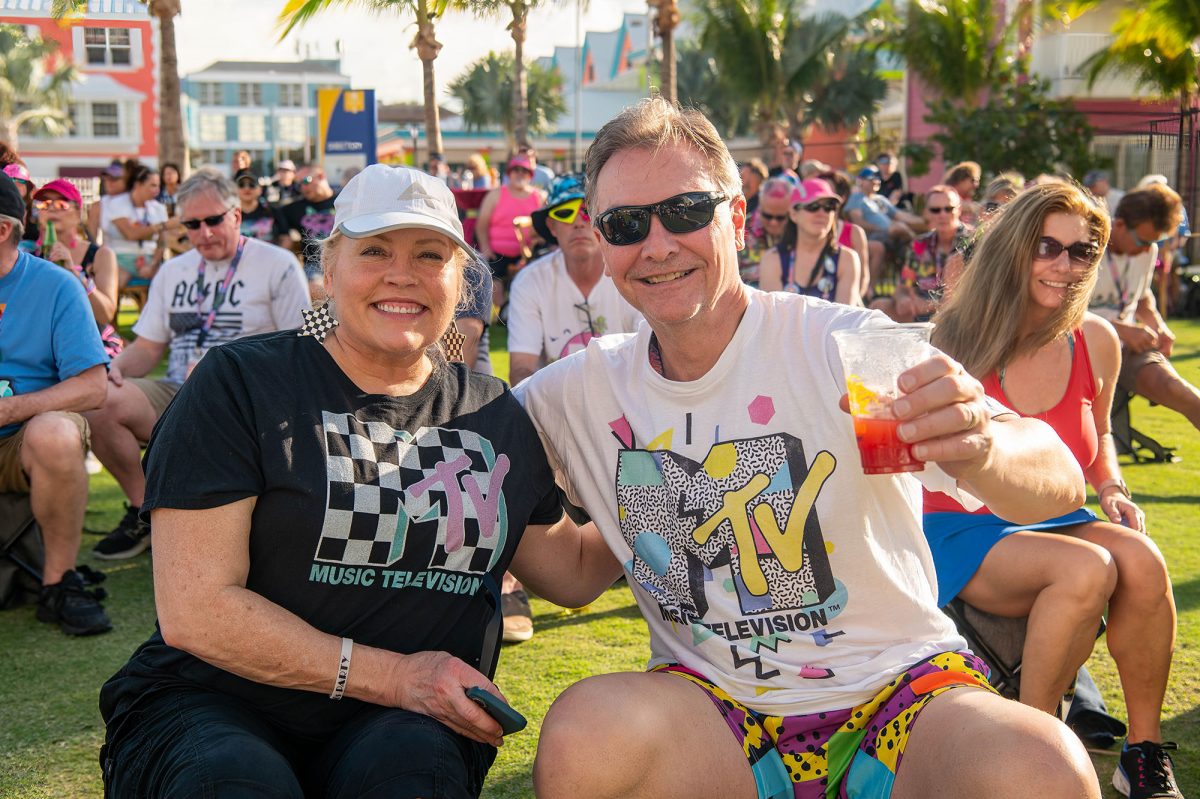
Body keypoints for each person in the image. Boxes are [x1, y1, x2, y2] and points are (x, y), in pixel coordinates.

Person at [514, 97, 1099, 799]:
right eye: (626, 224)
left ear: (737, 218)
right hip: (714, 710)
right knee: (584, 736)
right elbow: (574, 572)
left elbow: (1059, 474)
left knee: (1044, 766)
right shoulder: (580, 392)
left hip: (898, 691)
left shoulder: (842, 345)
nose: (658, 243)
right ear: (603, 244)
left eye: (687, 211)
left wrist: (982, 444)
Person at [97, 163, 576, 798]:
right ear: (328, 267)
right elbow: (197, 612)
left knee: (412, 778)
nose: (401, 273)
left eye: (429, 254)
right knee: (237, 781)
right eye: (374, 250)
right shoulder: (241, 383)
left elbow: (571, 573)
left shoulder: (493, 413)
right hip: (212, 699)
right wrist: (399, 677)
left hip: (406, 724)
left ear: (461, 280)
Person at [927, 181, 1182, 799]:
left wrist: (1111, 486)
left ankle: (1143, 753)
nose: (1065, 265)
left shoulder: (1096, 339)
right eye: (1047, 246)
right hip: (965, 522)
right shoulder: (954, 337)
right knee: (1087, 568)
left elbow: (1100, 433)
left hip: (1056, 515)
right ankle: (1033, 745)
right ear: (1014, 248)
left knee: (1143, 558)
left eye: (1082, 251)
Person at [87, 169, 311, 561]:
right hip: (177, 392)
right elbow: (148, 348)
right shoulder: (173, 271)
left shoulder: (277, 264)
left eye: (213, 221)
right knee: (100, 400)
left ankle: (231, 526)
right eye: (192, 224)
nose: (204, 233)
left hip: (248, 400)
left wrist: (225, 372)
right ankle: (148, 513)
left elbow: (298, 348)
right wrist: (114, 368)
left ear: (236, 215)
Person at [0, 172, 110, 636]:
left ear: (2, 229)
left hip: (19, 438)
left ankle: (58, 583)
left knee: (56, 433)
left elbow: (93, 387)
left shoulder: (56, 286)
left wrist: (12, 409)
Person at [508, 173, 643, 387]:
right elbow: (521, 370)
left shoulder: (633, 274)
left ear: (604, 223)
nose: (578, 223)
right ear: (552, 226)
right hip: (554, 402)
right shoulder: (529, 282)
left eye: (587, 212)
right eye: (565, 213)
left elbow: (651, 359)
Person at [1088, 184, 1200, 433]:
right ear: (1118, 225)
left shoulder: (1148, 251)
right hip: (1079, 351)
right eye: (1143, 241)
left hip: (1126, 349)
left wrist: (1158, 326)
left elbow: (1141, 297)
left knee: (1180, 392)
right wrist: (1121, 330)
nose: (1148, 249)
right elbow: (1062, 310)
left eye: (1154, 242)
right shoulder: (1085, 248)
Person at [32, 179, 122, 356]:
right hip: (44, 345)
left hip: (91, 343)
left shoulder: (101, 255)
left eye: (61, 204)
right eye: (45, 204)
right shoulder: (29, 257)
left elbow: (105, 314)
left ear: (77, 213)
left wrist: (73, 273)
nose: (52, 209)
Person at [758, 177, 861, 304]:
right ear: (793, 214)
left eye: (829, 206)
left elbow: (845, 314)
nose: (821, 213)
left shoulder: (846, 259)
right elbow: (773, 314)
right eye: (813, 206)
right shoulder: (773, 259)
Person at [887, 184, 972, 322]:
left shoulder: (972, 242)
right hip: (919, 314)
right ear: (927, 213)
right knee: (879, 306)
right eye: (935, 210)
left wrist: (929, 306)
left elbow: (972, 296)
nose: (942, 215)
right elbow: (903, 286)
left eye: (948, 209)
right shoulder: (920, 244)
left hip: (959, 315)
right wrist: (903, 299)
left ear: (959, 209)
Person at [475, 154, 544, 307]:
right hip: (496, 253)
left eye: (524, 171)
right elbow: (481, 225)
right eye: (516, 170)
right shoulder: (495, 194)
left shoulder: (538, 197)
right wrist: (486, 248)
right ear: (509, 173)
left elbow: (541, 228)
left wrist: (535, 244)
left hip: (526, 254)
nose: (520, 174)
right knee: (495, 285)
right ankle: (502, 314)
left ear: (530, 175)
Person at [845, 166, 924, 296]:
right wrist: (882, 228)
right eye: (871, 178)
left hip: (891, 235)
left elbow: (901, 215)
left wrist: (925, 221)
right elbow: (858, 222)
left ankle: (913, 282)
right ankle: (921, 246)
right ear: (861, 181)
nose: (876, 181)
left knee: (906, 242)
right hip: (870, 236)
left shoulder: (880, 199)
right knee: (898, 229)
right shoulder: (857, 198)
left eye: (878, 178)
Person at [101, 163, 172, 288]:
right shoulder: (117, 203)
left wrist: (153, 265)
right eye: (153, 185)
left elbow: (162, 242)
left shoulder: (159, 208)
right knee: (115, 280)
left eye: (158, 186)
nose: (157, 190)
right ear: (138, 185)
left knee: (166, 281)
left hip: (149, 259)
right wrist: (163, 226)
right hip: (119, 259)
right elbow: (130, 234)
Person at [280, 164, 338, 299]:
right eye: (298, 184)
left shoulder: (344, 201)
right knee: (315, 288)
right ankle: (330, 313)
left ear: (321, 176)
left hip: (345, 262)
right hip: (314, 265)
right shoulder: (294, 208)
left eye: (306, 181)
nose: (302, 187)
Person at [737, 176, 793, 287]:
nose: (773, 222)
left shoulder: (800, 232)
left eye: (780, 217)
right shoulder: (743, 229)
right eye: (767, 216)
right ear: (760, 207)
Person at [236, 168, 287, 244]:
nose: (247, 188)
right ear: (235, 190)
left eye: (252, 184)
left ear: (260, 189)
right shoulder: (229, 215)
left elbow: (286, 238)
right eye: (241, 185)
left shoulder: (273, 211)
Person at [2, 163, 38, 249]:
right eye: (10, 180)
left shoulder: (37, 208)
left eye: (21, 181)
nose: (15, 184)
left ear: (28, 186)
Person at [943, 161, 982, 226]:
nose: (976, 185)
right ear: (961, 179)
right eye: (973, 180)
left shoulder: (966, 198)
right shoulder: (946, 194)